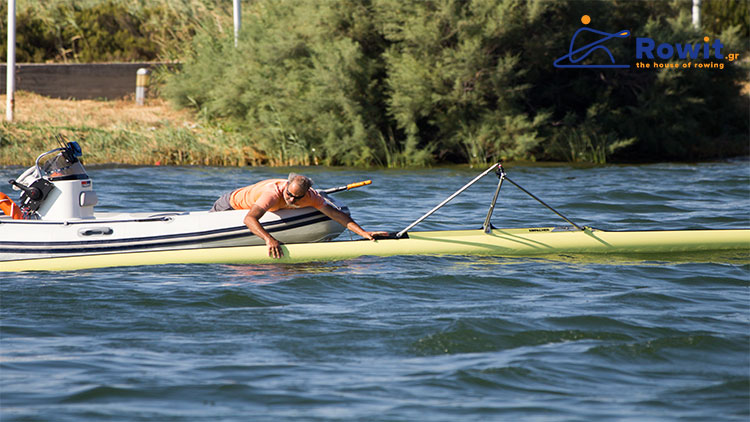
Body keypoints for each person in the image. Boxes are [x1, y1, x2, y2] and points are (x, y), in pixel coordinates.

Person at [212, 173, 387, 258]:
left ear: (306, 193)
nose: (292, 200)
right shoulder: (272, 194)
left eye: (298, 197)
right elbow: (249, 219)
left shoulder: (311, 197)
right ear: (286, 187)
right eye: (289, 195)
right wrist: (269, 239)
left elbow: (336, 215)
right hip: (229, 204)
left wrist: (364, 233)